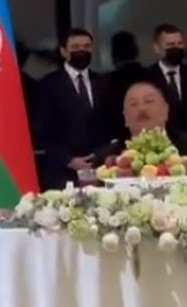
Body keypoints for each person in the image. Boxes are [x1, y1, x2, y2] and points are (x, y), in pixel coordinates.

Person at [36, 28, 111, 189]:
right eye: (76, 47)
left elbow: (111, 125)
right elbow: (42, 132)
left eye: (86, 46)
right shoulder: (48, 85)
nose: (82, 51)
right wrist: (69, 161)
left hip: (100, 169)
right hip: (62, 172)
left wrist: (100, 156)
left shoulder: (104, 82)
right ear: (64, 51)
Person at [115, 80, 187, 174]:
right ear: (125, 117)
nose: (142, 108)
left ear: (166, 110)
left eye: (149, 101)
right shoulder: (110, 155)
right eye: (133, 104)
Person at [147, 23, 187, 132]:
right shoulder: (146, 78)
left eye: (179, 44)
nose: (176, 48)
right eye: (170, 44)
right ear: (157, 48)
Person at [104, 31, 149, 144]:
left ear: (113, 54)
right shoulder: (152, 76)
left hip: (119, 138)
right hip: (149, 135)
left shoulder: (108, 81)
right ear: (136, 51)